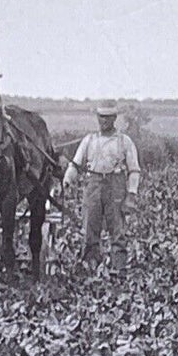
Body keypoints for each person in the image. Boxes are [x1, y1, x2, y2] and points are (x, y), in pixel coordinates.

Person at [63, 105, 141, 272]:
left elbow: (134, 170)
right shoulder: (89, 140)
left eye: (107, 117)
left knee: (117, 230)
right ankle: (91, 268)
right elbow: (76, 164)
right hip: (94, 184)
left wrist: (131, 194)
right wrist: (68, 179)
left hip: (116, 186)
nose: (103, 121)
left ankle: (118, 269)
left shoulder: (124, 141)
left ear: (114, 119)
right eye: (101, 117)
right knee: (91, 226)